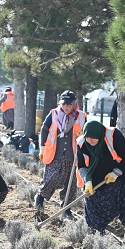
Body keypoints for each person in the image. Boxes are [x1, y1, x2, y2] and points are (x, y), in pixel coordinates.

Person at [76, 120, 125, 248]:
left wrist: (117, 172)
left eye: (93, 138)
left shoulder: (113, 135)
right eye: (87, 138)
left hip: (124, 173)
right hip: (98, 174)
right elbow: (81, 165)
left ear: (99, 135)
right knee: (93, 200)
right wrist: (88, 182)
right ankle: (97, 233)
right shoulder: (82, 143)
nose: (89, 141)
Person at [35, 90, 87, 220]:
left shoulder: (82, 116)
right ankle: (40, 197)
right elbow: (44, 129)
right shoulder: (53, 114)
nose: (66, 107)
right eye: (63, 104)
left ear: (74, 104)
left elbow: (87, 133)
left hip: (73, 155)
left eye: (68, 104)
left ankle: (66, 209)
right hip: (55, 154)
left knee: (71, 183)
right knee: (52, 178)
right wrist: (42, 148)